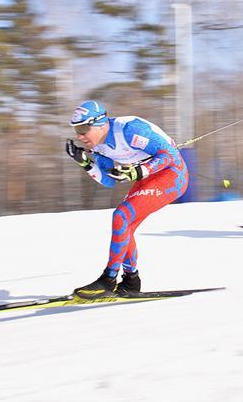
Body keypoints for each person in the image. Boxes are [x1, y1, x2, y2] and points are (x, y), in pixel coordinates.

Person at [64, 100, 188, 298]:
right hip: (148, 177)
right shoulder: (99, 146)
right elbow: (109, 181)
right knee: (124, 225)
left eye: (82, 129)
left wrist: (141, 170)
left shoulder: (129, 130)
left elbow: (171, 155)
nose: (79, 136)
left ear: (99, 123)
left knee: (121, 216)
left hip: (172, 175)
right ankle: (131, 280)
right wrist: (86, 164)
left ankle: (108, 279)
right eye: (75, 130)